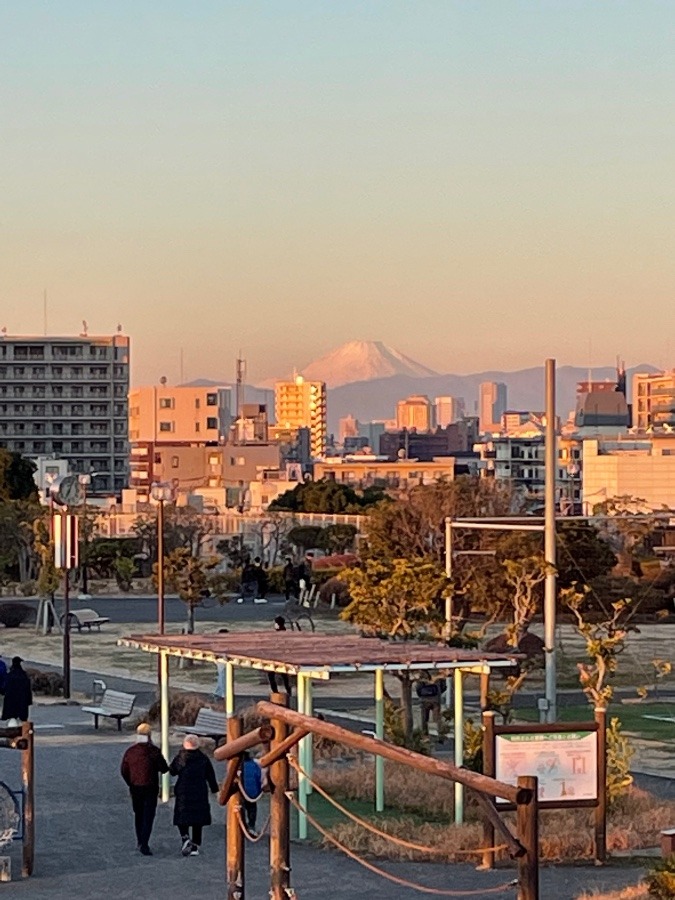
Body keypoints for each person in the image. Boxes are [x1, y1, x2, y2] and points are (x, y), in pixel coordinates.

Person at [120, 723, 169, 856]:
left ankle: (139, 840)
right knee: (148, 815)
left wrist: (130, 783)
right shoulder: (153, 751)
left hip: (135, 787)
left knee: (139, 814)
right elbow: (164, 768)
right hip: (150, 787)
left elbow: (124, 770)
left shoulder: (130, 751)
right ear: (149, 735)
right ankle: (145, 843)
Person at [170, 734, 219, 856]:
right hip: (199, 791)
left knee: (182, 816)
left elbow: (172, 771)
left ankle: (185, 837)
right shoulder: (203, 758)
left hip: (183, 790)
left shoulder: (181, 758)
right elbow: (210, 776)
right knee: (198, 820)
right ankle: (195, 846)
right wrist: (215, 790)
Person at [267, 616, 292, 697]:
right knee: (284, 676)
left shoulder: (277, 633)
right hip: (282, 657)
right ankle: (288, 691)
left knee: (271, 675)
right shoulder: (285, 632)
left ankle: (275, 692)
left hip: (276, 657)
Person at [2, 657, 32, 722]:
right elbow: (28, 689)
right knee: (22, 719)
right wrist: (29, 701)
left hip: (11, 700)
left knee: (10, 719)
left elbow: (5, 687)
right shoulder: (24, 675)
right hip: (22, 700)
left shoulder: (10, 675)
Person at [240, 751, 263, 835]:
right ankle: (251, 826)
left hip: (241, 791)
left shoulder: (237, 766)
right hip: (252, 792)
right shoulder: (254, 765)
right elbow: (259, 777)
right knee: (252, 809)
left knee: (240, 809)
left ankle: (241, 826)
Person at [415, 675, 443, 742]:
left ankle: (425, 736)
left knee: (424, 719)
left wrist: (422, 695)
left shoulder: (421, 677)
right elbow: (443, 687)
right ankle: (439, 734)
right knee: (437, 718)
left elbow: (418, 689)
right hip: (435, 700)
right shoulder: (438, 676)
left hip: (424, 700)